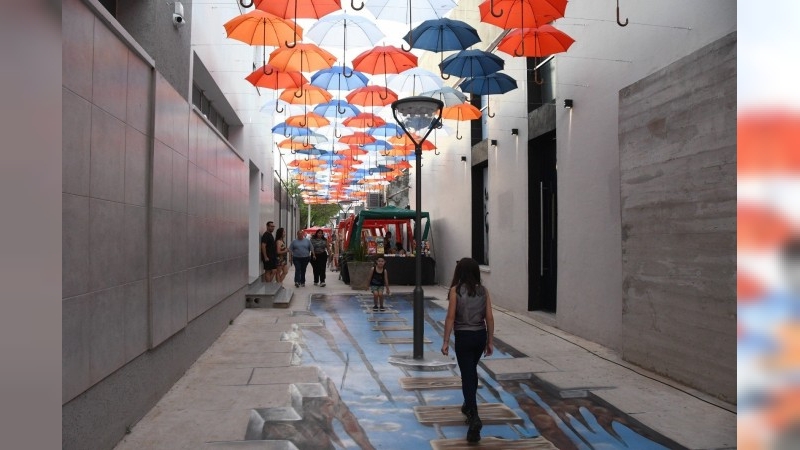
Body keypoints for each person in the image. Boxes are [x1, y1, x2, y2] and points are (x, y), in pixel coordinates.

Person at [441, 257, 495, 443]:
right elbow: (489, 317)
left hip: (463, 337)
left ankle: (474, 416)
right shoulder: (484, 291)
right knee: (471, 371)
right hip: (479, 336)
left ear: (460, 272)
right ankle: (467, 405)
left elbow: (450, 317)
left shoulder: (455, 291)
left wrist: (446, 341)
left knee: (467, 374)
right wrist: (490, 341)